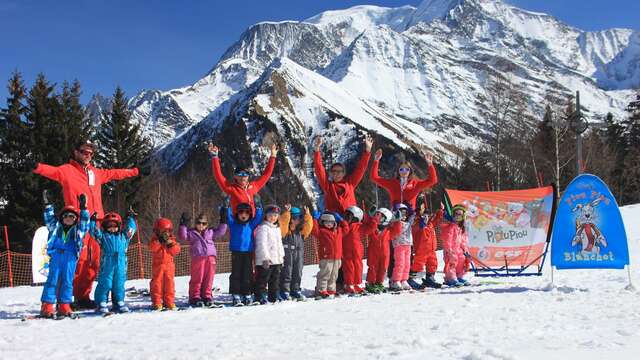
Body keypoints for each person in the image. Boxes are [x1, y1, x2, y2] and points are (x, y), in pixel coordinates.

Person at [32, 140, 144, 308]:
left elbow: (115, 173)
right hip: (79, 224)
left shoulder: (95, 172)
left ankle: (83, 297)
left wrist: (136, 171)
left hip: (98, 223)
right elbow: (52, 171)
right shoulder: (67, 171)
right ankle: (65, 299)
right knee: (78, 260)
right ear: (76, 152)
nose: (88, 155)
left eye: (91, 153)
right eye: (84, 152)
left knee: (94, 262)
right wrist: (35, 166)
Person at [39, 191, 90, 318]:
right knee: (53, 280)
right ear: (62, 218)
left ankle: (64, 304)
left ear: (75, 219)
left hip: (70, 257)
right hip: (56, 255)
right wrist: (48, 205)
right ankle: (47, 305)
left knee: (68, 281)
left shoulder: (78, 230)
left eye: (72, 217)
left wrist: (83, 208)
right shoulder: (55, 227)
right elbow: (49, 219)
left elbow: (85, 222)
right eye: (66, 216)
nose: (69, 219)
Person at [209, 143, 277, 215]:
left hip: (253, 222)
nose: (243, 177)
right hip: (238, 222)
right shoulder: (231, 189)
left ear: (248, 176)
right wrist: (214, 157)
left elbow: (266, 175)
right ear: (235, 176)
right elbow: (218, 175)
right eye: (240, 175)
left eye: (245, 175)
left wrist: (273, 156)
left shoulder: (254, 186)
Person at [90, 208, 137, 314]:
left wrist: (130, 218)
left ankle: (119, 301)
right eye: (109, 226)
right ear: (105, 227)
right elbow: (94, 232)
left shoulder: (124, 236)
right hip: (108, 262)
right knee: (105, 282)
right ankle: (101, 302)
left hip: (121, 262)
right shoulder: (103, 237)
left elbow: (131, 229)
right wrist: (92, 222)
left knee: (119, 283)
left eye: (114, 226)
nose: (112, 229)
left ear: (119, 226)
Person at [313, 135, 373, 214]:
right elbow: (319, 169)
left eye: (339, 171)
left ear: (344, 173)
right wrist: (317, 150)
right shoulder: (327, 186)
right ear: (330, 174)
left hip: (351, 219)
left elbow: (361, 169)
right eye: (334, 171)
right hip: (334, 222)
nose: (336, 173)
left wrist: (367, 151)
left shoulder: (350, 184)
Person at [179, 211, 227, 307]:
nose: (201, 225)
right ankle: (195, 296)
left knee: (209, 278)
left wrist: (223, 220)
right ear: (195, 223)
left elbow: (221, 232)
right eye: (199, 223)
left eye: (203, 223)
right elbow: (182, 236)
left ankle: (207, 295)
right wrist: (183, 224)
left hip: (210, 258)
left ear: (207, 224)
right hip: (198, 258)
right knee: (197, 278)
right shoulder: (192, 233)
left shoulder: (211, 232)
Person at [370, 148, 438, 210]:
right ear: (398, 171)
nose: (404, 171)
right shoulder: (392, 183)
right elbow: (374, 178)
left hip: (409, 217)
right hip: (395, 216)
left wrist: (430, 164)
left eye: (406, 169)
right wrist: (376, 161)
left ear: (410, 171)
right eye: (401, 169)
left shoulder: (416, 184)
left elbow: (433, 180)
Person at [225, 202, 264, 306]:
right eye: (241, 212)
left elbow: (259, 218)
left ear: (250, 214)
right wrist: (226, 207)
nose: (244, 215)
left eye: (246, 212)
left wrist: (259, 207)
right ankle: (236, 294)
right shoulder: (233, 223)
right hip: (236, 252)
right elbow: (227, 216)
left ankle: (247, 293)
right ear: (237, 214)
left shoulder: (251, 224)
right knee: (236, 273)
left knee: (248, 273)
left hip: (248, 252)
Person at [279, 204, 313, 301]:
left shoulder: (301, 232)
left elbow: (309, 226)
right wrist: (286, 213)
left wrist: (307, 215)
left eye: (299, 218)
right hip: (287, 256)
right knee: (286, 272)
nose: (297, 220)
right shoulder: (285, 231)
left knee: (298, 272)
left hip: (299, 256)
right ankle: (284, 290)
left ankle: (295, 289)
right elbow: (283, 223)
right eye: (294, 218)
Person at [311, 211, 349, 299]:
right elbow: (314, 230)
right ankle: (321, 290)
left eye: (331, 222)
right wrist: (315, 219)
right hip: (326, 257)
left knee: (334, 275)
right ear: (323, 223)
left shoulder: (338, 231)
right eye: (326, 222)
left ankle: (331, 289)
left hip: (337, 258)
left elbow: (346, 229)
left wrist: (342, 220)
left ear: (334, 223)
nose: (329, 224)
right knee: (325, 274)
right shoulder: (322, 232)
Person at [365, 207, 402, 294]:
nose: (378, 218)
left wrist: (397, 221)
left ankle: (379, 283)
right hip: (373, 252)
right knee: (373, 268)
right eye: (377, 215)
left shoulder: (388, 231)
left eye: (380, 217)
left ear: (386, 219)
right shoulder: (372, 228)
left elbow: (397, 230)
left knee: (383, 268)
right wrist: (370, 217)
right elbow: (366, 225)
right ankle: (371, 283)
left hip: (385, 253)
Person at [409, 199, 444, 289]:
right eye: (424, 215)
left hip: (432, 250)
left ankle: (430, 278)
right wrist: (420, 220)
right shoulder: (417, 223)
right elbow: (414, 228)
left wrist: (441, 211)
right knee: (418, 264)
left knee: (433, 264)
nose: (426, 216)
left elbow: (437, 219)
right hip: (422, 250)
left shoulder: (430, 224)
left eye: (428, 215)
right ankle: (410, 279)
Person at [341, 206, 376, 295]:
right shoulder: (343, 225)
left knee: (358, 267)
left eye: (349, 216)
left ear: (356, 218)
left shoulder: (359, 226)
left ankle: (357, 283)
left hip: (357, 251)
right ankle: (349, 284)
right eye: (346, 215)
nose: (347, 218)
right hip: (346, 251)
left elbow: (371, 228)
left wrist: (371, 218)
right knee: (349, 268)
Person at [254, 205, 285, 304]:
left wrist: (281, 258)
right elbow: (261, 243)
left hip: (276, 260)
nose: (273, 217)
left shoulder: (277, 228)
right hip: (266, 260)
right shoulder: (263, 227)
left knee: (275, 279)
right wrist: (265, 258)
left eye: (275, 215)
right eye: (271, 215)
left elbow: (279, 244)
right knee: (263, 279)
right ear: (266, 216)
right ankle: (260, 295)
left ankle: (273, 295)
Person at [149, 218, 181, 310]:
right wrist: (159, 241)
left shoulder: (171, 240)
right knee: (157, 283)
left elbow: (176, 251)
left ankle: (169, 301)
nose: (165, 234)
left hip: (169, 265)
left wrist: (170, 244)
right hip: (158, 265)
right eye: (163, 231)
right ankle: (157, 301)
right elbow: (152, 247)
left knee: (169, 283)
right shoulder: (155, 240)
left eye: (167, 231)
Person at [440, 204, 470, 287]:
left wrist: (465, 249)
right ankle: (451, 278)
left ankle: (459, 276)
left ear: (463, 216)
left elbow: (463, 240)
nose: (457, 216)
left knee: (461, 261)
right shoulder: (451, 227)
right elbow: (447, 238)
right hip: (451, 250)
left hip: (459, 249)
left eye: (459, 214)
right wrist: (448, 249)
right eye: (456, 214)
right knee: (452, 263)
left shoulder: (461, 227)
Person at [389, 204, 417, 291]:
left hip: (408, 245)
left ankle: (404, 279)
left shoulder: (408, 222)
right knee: (400, 263)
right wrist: (396, 216)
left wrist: (412, 210)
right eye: (401, 213)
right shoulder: (395, 222)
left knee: (407, 264)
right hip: (399, 245)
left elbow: (413, 215)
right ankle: (396, 280)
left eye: (405, 213)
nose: (404, 215)